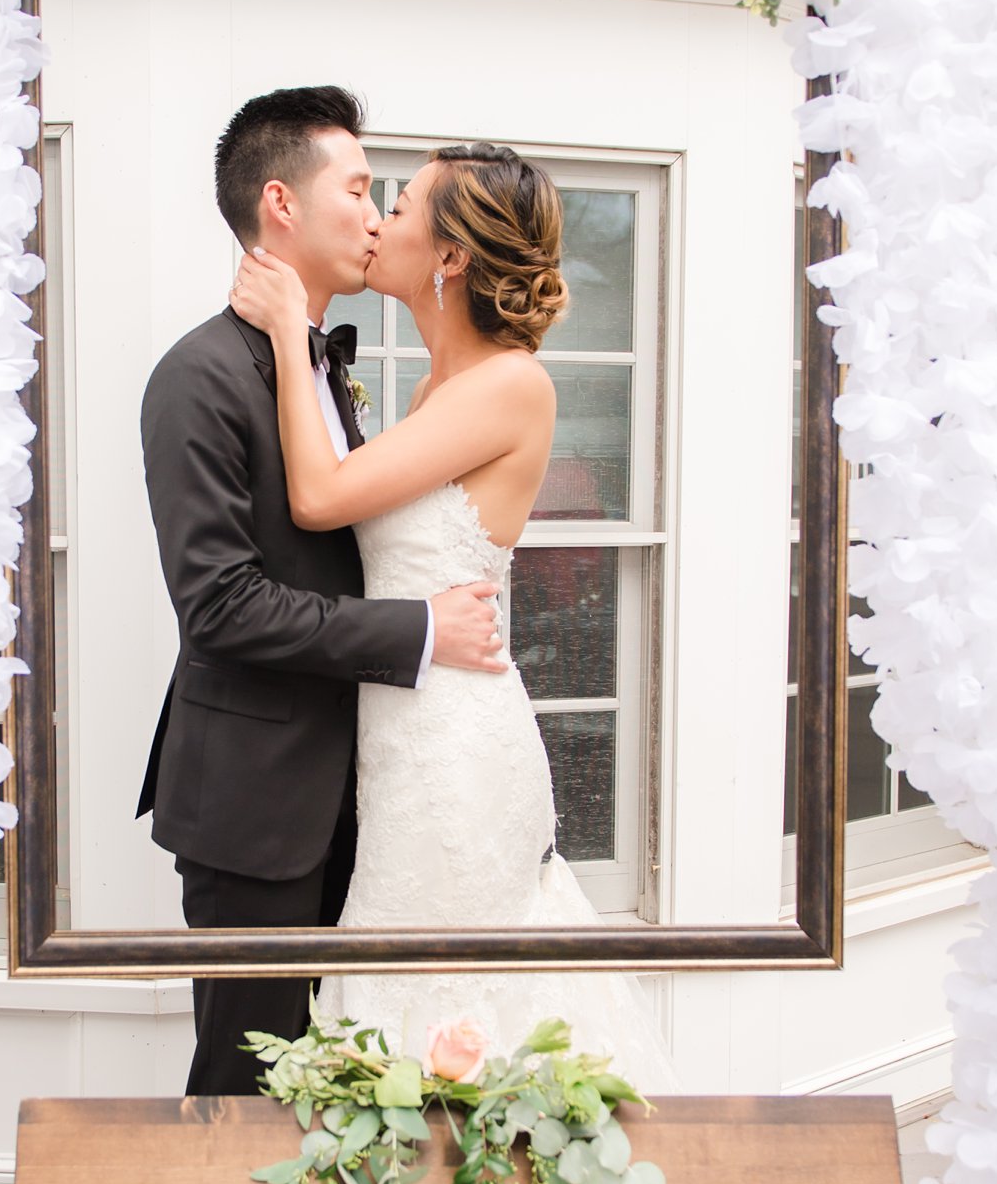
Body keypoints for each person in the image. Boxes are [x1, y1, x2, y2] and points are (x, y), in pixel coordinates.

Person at [229, 139, 681, 1093]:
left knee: (452, 995)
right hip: (401, 726)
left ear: (450, 256)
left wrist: (279, 331)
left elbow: (320, 497)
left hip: (454, 746)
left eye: (400, 205)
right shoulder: (440, 387)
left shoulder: (513, 384)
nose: (378, 219)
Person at [138, 88, 511, 1096]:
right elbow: (220, 604)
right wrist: (418, 630)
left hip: (365, 796)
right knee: (243, 1087)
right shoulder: (199, 377)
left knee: (340, 1084)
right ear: (281, 206)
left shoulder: (316, 365)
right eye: (356, 188)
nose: (375, 212)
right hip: (256, 812)